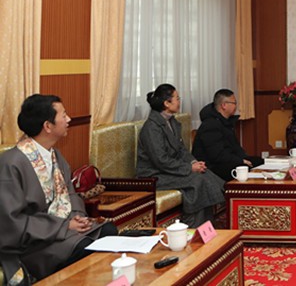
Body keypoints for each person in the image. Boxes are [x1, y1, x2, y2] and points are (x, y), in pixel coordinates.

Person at [0, 94, 117, 281]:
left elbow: (70, 193)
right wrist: (64, 226)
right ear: (48, 126)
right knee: (84, 247)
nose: (69, 119)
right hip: (34, 242)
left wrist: (77, 216)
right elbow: (12, 221)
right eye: (63, 115)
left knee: (108, 231)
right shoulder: (11, 163)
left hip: (61, 227)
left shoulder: (55, 155)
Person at [137, 84, 224, 227]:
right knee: (197, 181)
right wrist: (189, 169)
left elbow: (181, 150)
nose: (179, 101)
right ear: (167, 103)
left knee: (204, 173)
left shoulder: (172, 122)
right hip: (154, 175)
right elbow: (161, 161)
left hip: (169, 170)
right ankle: (193, 226)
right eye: (177, 98)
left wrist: (194, 163)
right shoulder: (151, 127)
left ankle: (208, 225)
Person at [192, 88, 263, 182]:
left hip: (227, 160)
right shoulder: (210, 124)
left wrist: (244, 158)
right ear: (224, 105)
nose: (236, 106)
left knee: (259, 162)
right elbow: (217, 155)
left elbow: (235, 148)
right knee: (244, 168)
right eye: (234, 103)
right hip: (212, 166)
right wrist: (241, 161)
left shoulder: (226, 122)